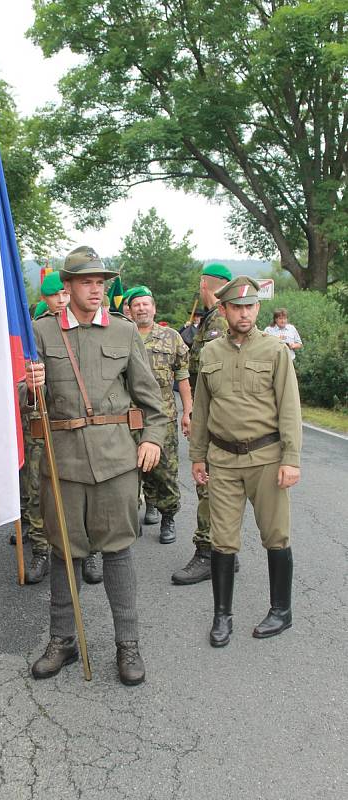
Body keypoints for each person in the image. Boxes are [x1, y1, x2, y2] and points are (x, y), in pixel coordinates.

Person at [25, 246, 167, 685]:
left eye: (101, 282)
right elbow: (26, 408)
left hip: (116, 463)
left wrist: (154, 440)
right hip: (62, 462)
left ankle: (128, 644)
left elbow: (152, 402)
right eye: (87, 281)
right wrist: (28, 387)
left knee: (119, 551)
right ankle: (62, 641)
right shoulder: (41, 333)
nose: (96, 289)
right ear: (66, 287)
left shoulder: (125, 333)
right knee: (65, 554)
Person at [189, 275, 302, 648]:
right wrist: (198, 456)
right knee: (223, 540)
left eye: (250, 306)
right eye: (236, 307)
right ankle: (222, 616)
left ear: (258, 308)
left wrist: (291, 459)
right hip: (222, 461)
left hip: (267, 459)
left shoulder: (275, 351)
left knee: (275, 535)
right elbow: (202, 410)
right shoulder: (210, 353)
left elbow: (290, 409)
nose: (244, 313)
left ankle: (280, 611)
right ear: (223, 310)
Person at [22, 271, 104, 584]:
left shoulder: (86, 329)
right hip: (40, 429)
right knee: (38, 494)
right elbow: (22, 387)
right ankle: (42, 551)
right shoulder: (37, 332)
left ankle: (91, 550)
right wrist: (30, 386)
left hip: (74, 430)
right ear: (45, 299)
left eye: (63, 295)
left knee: (87, 493)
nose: (60, 300)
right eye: (54, 296)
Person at [171, 262, 234, 586]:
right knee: (214, 483)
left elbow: (214, 376)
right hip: (208, 412)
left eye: (201, 284)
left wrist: (197, 414)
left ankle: (209, 552)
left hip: (214, 417)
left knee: (209, 482)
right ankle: (226, 552)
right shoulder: (210, 319)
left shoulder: (220, 321)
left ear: (206, 284)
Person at [128, 285, 192, 543]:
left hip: (163, 414)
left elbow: (182, 376)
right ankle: (134, 515)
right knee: (130, 469)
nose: (141, 308)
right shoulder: (121, 335)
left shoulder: (171, 337)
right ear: (129, 310)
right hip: (129, 416)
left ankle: (168, 517)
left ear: (154, 308)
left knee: (165, 470)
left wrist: (188, 410)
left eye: (146, 304)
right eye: (136, 305)